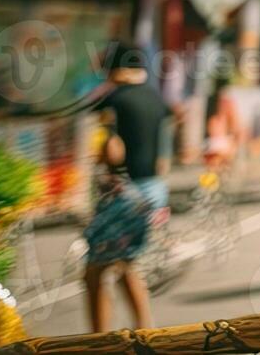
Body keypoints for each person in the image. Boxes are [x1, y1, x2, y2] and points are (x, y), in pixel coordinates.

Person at [81, 41, 172, 332]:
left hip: (125, 195)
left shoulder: (113, 101)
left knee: (94, 271)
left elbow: (112, 151)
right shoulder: (155, 98)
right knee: (124, 263)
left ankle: (98, 341)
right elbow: (163, 158)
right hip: (154, 191)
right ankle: (145, 331)